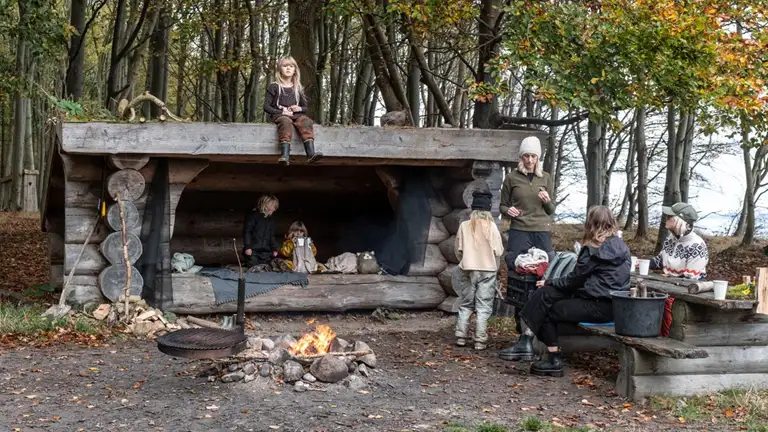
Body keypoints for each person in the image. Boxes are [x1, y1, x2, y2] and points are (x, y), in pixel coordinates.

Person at [512, 206, 630, 377]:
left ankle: (552, 358)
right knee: (545, 294)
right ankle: (526, 341)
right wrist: (549, 285)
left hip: (596, 306)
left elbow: (573, 281)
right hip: (614, 306)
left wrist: (549, 281)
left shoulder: (592, 250)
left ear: (590, 224)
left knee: (547, 308)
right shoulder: (621, 247)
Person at [498, 135, 556, 355]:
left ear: (538, 158)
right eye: (526, 156)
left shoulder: (546, 178)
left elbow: (551, 210)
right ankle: (521, 334)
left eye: (533, 156)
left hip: (541, 230)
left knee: (546, 275)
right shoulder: (511, 178)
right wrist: (507, 211)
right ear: (521, 157)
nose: (530, 160)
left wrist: (547, 200)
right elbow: (503, 205)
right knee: (517, 274)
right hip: (519, 230)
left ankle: (544, 331)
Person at [454, 191, 505, 351]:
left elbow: (458, 249)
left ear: (473, 209)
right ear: (488, 210)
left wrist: (464, 260)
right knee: (483, 306)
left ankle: (461, 337)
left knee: (466, 304)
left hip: (468, 269)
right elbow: (499, 251)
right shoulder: (492, 228)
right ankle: (480, 340)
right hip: (488, 271)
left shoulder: (464, 226)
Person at [263, 56, 322, 166]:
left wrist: (298, 108)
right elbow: (266, 107)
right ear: (280, 69)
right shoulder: (274, 86)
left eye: (291, 66)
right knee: (286, 122)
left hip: (296, 115)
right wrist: (282, 112)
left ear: (295, 69)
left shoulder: (298, 88)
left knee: (306, 121)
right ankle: (285, 156)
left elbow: (305, 108)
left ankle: (310, 154)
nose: (288, 68)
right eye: (285, 66)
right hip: (280, 115)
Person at [649, 202, 708, 280]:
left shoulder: (697, 246)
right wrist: (641, 263)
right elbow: (661, 260)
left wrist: (666, 281)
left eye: (670, 216)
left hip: (689, 287)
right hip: (668, 283)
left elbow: (690, 279)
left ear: (680, 221)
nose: (666, 217)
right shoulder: (671, 238)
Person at [243, 195, 280, 269]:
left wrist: (274, 249)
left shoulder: (271, 220)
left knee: (265, 269)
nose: (274, 209)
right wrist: (248, 247)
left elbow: (271, 236)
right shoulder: (253, 216)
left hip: (266, 252)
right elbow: (247, 232)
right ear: (265, 205)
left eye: (275, 207)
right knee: (253, 268)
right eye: (272, 206)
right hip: (253, 251)